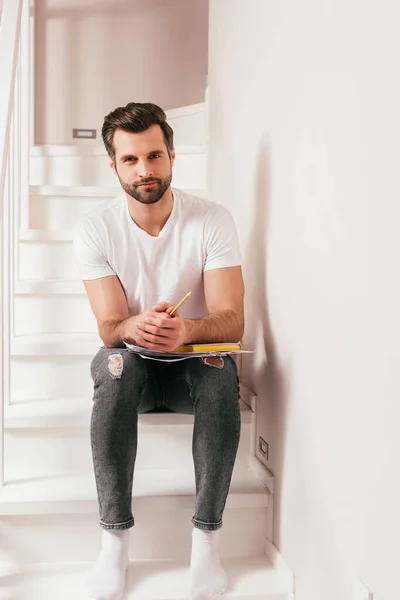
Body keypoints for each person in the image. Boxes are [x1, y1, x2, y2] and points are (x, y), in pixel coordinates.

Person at [72, 102, 245, 600]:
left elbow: (233, 319)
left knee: (219, 370)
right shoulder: (95, 228)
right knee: (114, 363)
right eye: (130, 160)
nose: (144, 171)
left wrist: (187, 331)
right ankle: (114, 542)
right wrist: (137, 326)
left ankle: (207, 541)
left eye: (154, 156)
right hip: (136, 368)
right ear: (114, 166)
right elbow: (109, 327)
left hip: (192, 361)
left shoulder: (211, 219)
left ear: (172, 155)